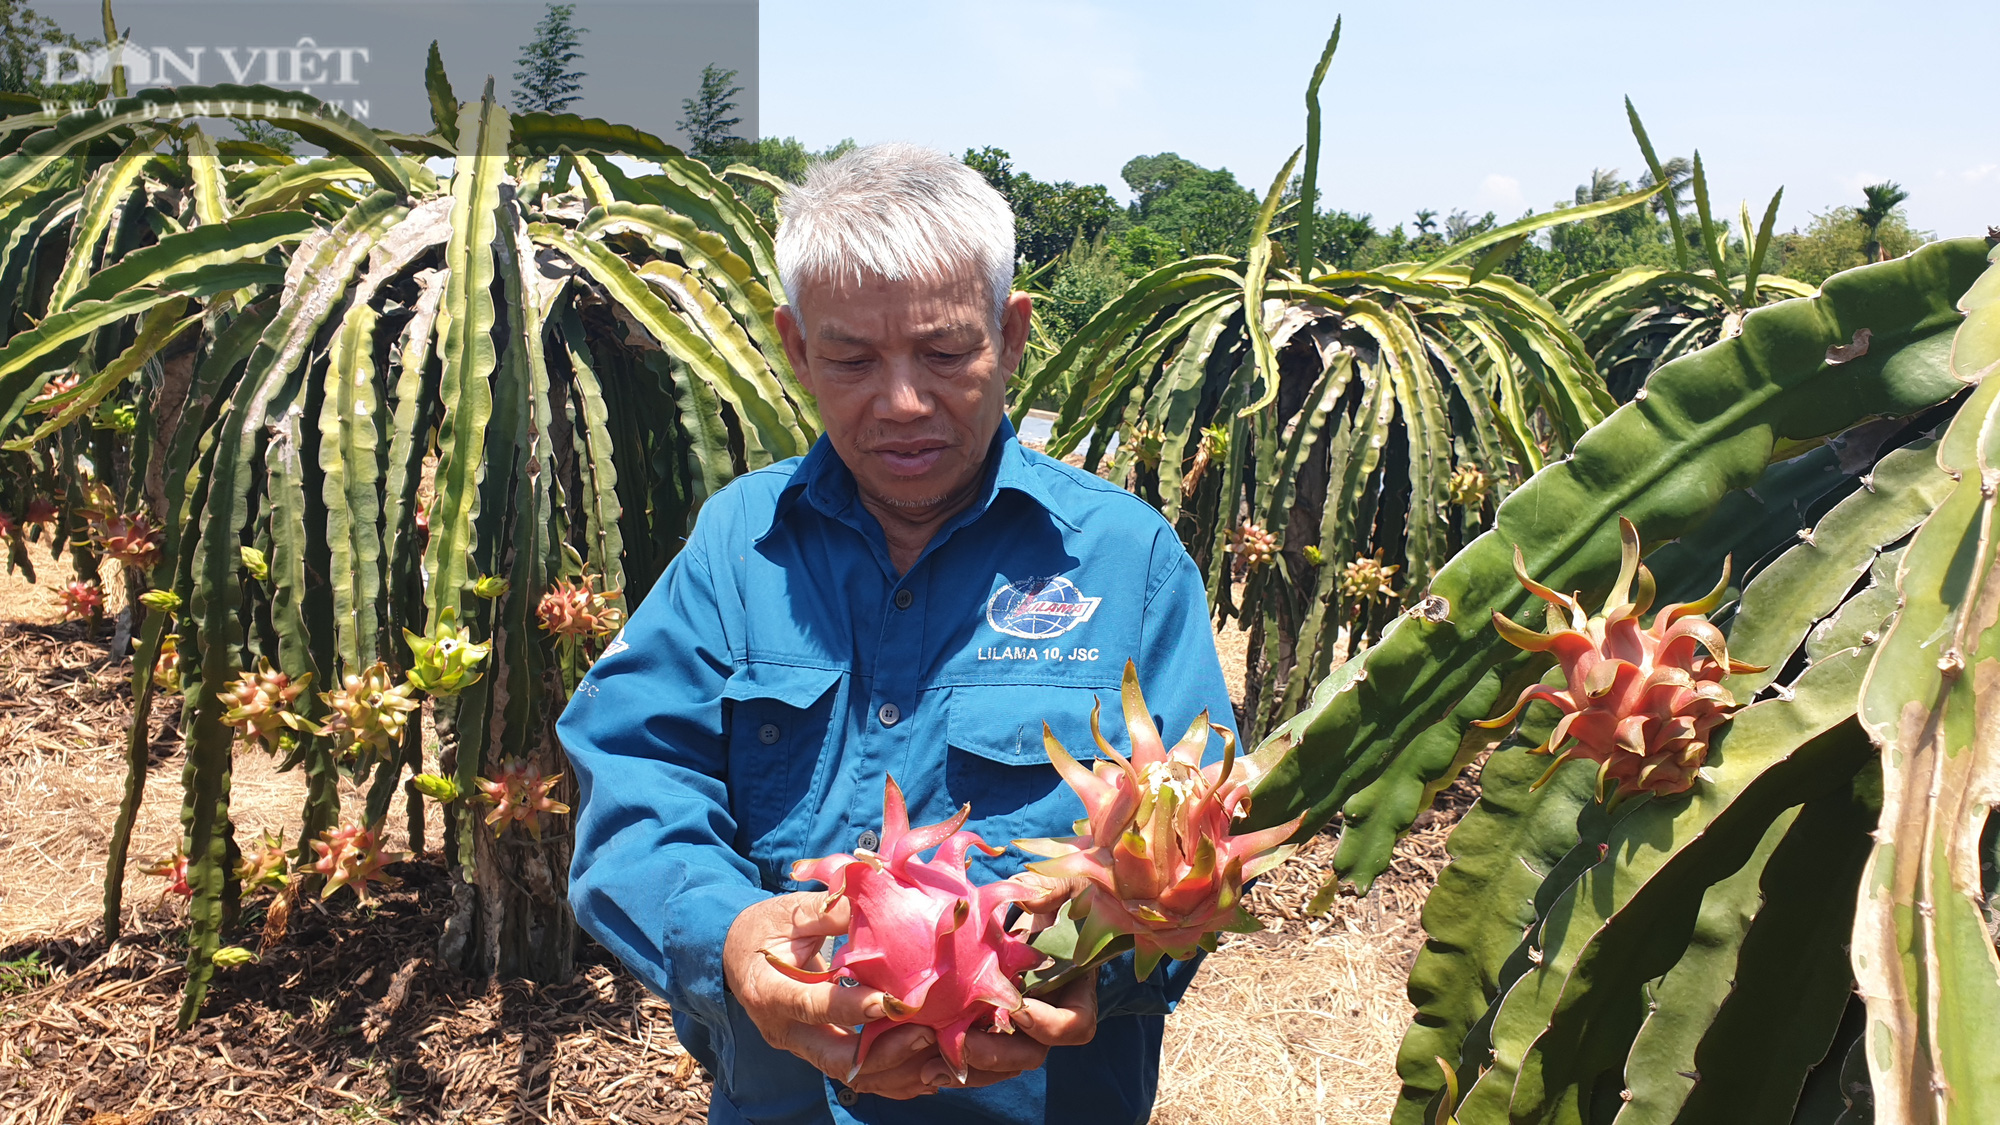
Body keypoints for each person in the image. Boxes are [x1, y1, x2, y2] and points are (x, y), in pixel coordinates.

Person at [557, 142, 1238, 1125]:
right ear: (795, 350)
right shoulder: (735, 549)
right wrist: (729, 933)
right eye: (850, 360)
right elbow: (636, 775)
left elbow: (1194, 829)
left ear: (1009, 336)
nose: (903, 401)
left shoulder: (1125, 562)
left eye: (945, 352)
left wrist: (1105, 952)